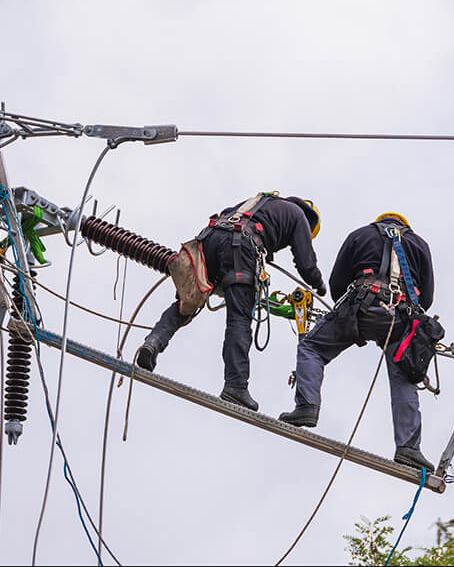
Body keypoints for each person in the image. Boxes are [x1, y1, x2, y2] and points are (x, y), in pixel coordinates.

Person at [136, 192, 326, 412]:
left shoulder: (260, 202)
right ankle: (236, 386)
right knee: (239, 318)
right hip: (241, 246)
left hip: (209, 241)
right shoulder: (299, 216)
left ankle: (153, 342)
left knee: (186, 303)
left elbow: (228, 215)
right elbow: (306, 263)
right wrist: (319, 286)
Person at [279, 213, 436, 471]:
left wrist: (346, 319)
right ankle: (408, 447)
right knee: (405, 375)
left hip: (361, 306)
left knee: (312, 347)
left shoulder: (361, 234)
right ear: (405, 225)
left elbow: (337, 283)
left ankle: (307, 406)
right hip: (401, 318)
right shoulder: (419, 244)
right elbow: (426, 297)